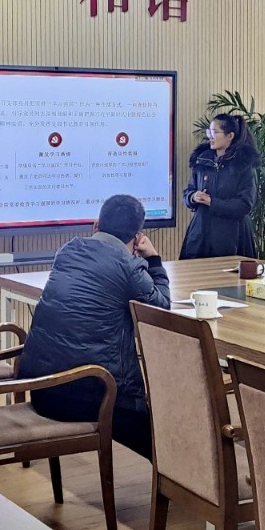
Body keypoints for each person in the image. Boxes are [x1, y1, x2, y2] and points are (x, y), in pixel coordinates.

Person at [21, 195, 172, 458]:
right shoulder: (128, 266)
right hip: (94, 396)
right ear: (138, 237)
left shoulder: (68, 250)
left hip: (42, 390)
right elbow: (160, 309)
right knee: (164, 443)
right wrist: (155, 261)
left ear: (95, 225)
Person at [179, 112, 260, 259]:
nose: (210, 136)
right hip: (200, 233)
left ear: (230, 136)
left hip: (232, 236)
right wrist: (193, 197)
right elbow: (188, 192)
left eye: (214, 132)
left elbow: (245, 204)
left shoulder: (242, 165)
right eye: (209, 132)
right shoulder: (202, 160)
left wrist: (212, 202)